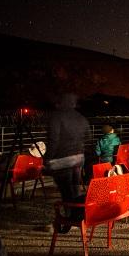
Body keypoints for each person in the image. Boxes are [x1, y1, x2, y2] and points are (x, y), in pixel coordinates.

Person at [44, 93, 91, 230]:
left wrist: (47, 158)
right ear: (73, 103)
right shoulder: (81, 118)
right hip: (78, 158)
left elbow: (53, 140)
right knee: (75, 189)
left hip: (62, 159)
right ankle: (76, 218)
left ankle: (69, 220)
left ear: (61, 102)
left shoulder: (56, 117)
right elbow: (88, 137)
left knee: (66, 191)